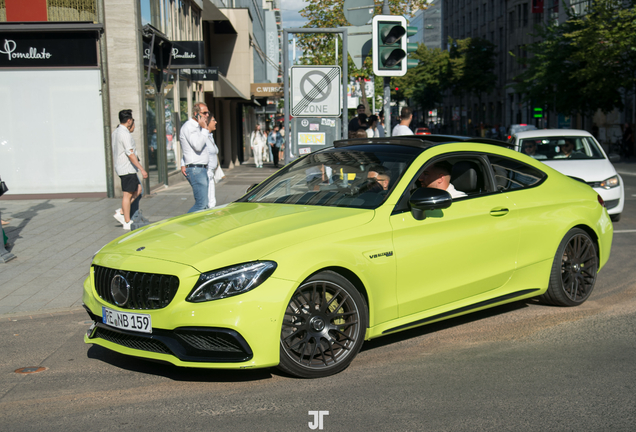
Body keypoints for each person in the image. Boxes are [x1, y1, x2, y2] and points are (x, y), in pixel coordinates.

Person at [112, 109, 148, 230]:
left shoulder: (116, 132)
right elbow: (130, 153)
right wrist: (142, 169)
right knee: (127, 195)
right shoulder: (124, 134)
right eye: (132, 120)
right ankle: (126, 220)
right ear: (129, 121)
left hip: (123, 167)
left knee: (138, 189)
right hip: (126, 168)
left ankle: (122, 211)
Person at [181, 114, 219, 208]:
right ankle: (188, 221)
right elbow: (191, 149)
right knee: (204, 203)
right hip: (205, 171)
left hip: (210, 172)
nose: (216, 122)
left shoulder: (209, 136)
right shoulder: (202, 134)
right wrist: (183, 163)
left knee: (208, 202)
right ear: (208, 123)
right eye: (213, 120)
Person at [180, 102, 211, 212]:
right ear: (196, 113)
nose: (207, 115)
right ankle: (186, 223)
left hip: (200, 168)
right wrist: (205, 129)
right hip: (196, 169)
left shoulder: (197, 127)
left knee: (205, 204)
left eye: (208, 112)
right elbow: (197, 146)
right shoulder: (190, 127)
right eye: (204, 113)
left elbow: (187, 149)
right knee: (201, 204)